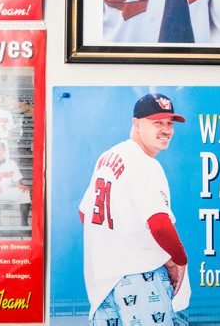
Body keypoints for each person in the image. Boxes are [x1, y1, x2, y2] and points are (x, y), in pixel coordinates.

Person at [79, 92, 190, 325]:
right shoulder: (145, 164)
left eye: (170, 123)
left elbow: (85, 212)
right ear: (136, 124)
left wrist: (117, 247)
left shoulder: (108, 156)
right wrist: (179, 261)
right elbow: (159, 225)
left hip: (105, 284)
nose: (166, 130)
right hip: (143, 279)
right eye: (157, 123)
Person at [0, 141, 30, 228]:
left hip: (7, 190)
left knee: (25, 192)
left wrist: (20, 186)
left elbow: (17, 181)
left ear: (5, 151)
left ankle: (24, 223)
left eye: (2, 150)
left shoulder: (11, 163)